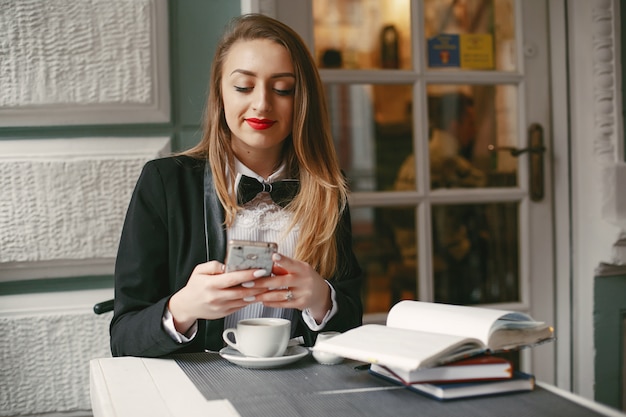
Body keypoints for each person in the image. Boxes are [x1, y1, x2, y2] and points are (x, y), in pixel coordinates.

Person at [110, 14, 364, 357]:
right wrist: (183, 308)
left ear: (302, 100)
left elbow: (351, 330)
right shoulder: (165, 182)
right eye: (244, 86)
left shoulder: (328, 190)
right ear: (220, 93)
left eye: (282, 89)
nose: (262, 103)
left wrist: (322, 299)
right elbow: (123, 338)